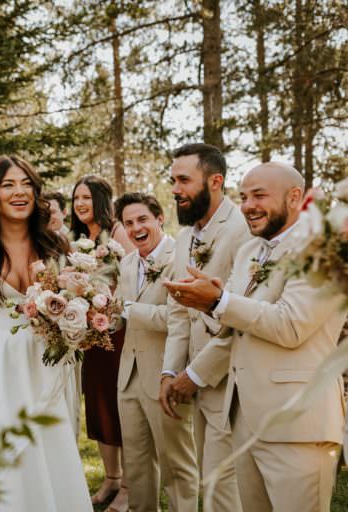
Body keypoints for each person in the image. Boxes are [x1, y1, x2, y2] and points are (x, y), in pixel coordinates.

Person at [164, 162, 347, 511]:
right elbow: (238, 324)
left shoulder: (325, 248)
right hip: (245, 418)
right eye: (244, 196)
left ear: (295, 197)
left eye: (259, 195)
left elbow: (291, 325)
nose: (248, 205)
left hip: (298, 423)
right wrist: (212, 304)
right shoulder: (250, 250)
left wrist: (219, 301)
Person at [0, 155, 92, 511]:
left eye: (26, 184)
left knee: (48, 452)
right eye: (8, 185)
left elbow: (76, 309)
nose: (19, 192)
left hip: (44, 365)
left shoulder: (56, 247)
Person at [159, 143, 250, 511]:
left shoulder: (243, 231)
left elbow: (243, 319)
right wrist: (169, 370)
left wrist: (195, 374)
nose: (175, 189)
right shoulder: (183, 238)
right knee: (208, 484)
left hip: (232, 381)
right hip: (195, 383)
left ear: (215, 181)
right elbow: (178, 312)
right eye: (173, 180)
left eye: (184, 180)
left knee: (223, 490)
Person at [113, 193, 199, 512]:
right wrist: (91, 316)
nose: (136, 228)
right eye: (129, 222)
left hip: (166, 373)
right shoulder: (126, 262)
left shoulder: (182, 258)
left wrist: (127, 309)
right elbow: (120, 317)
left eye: (142, 219)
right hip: (129, 376)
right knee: (136, 466)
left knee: (177, 466)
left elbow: (179, 318)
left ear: (160, 218)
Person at [70, 175, 134, 511]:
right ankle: (110, 477)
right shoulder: (77, 238)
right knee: (98, 404)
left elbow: (132, 276)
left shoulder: (118, 233)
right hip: (89, 333)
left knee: (118, 402)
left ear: (101, 200)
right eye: (76, 198)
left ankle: (127, 487)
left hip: (117, 331)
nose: (80, 204)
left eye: (86, 197)